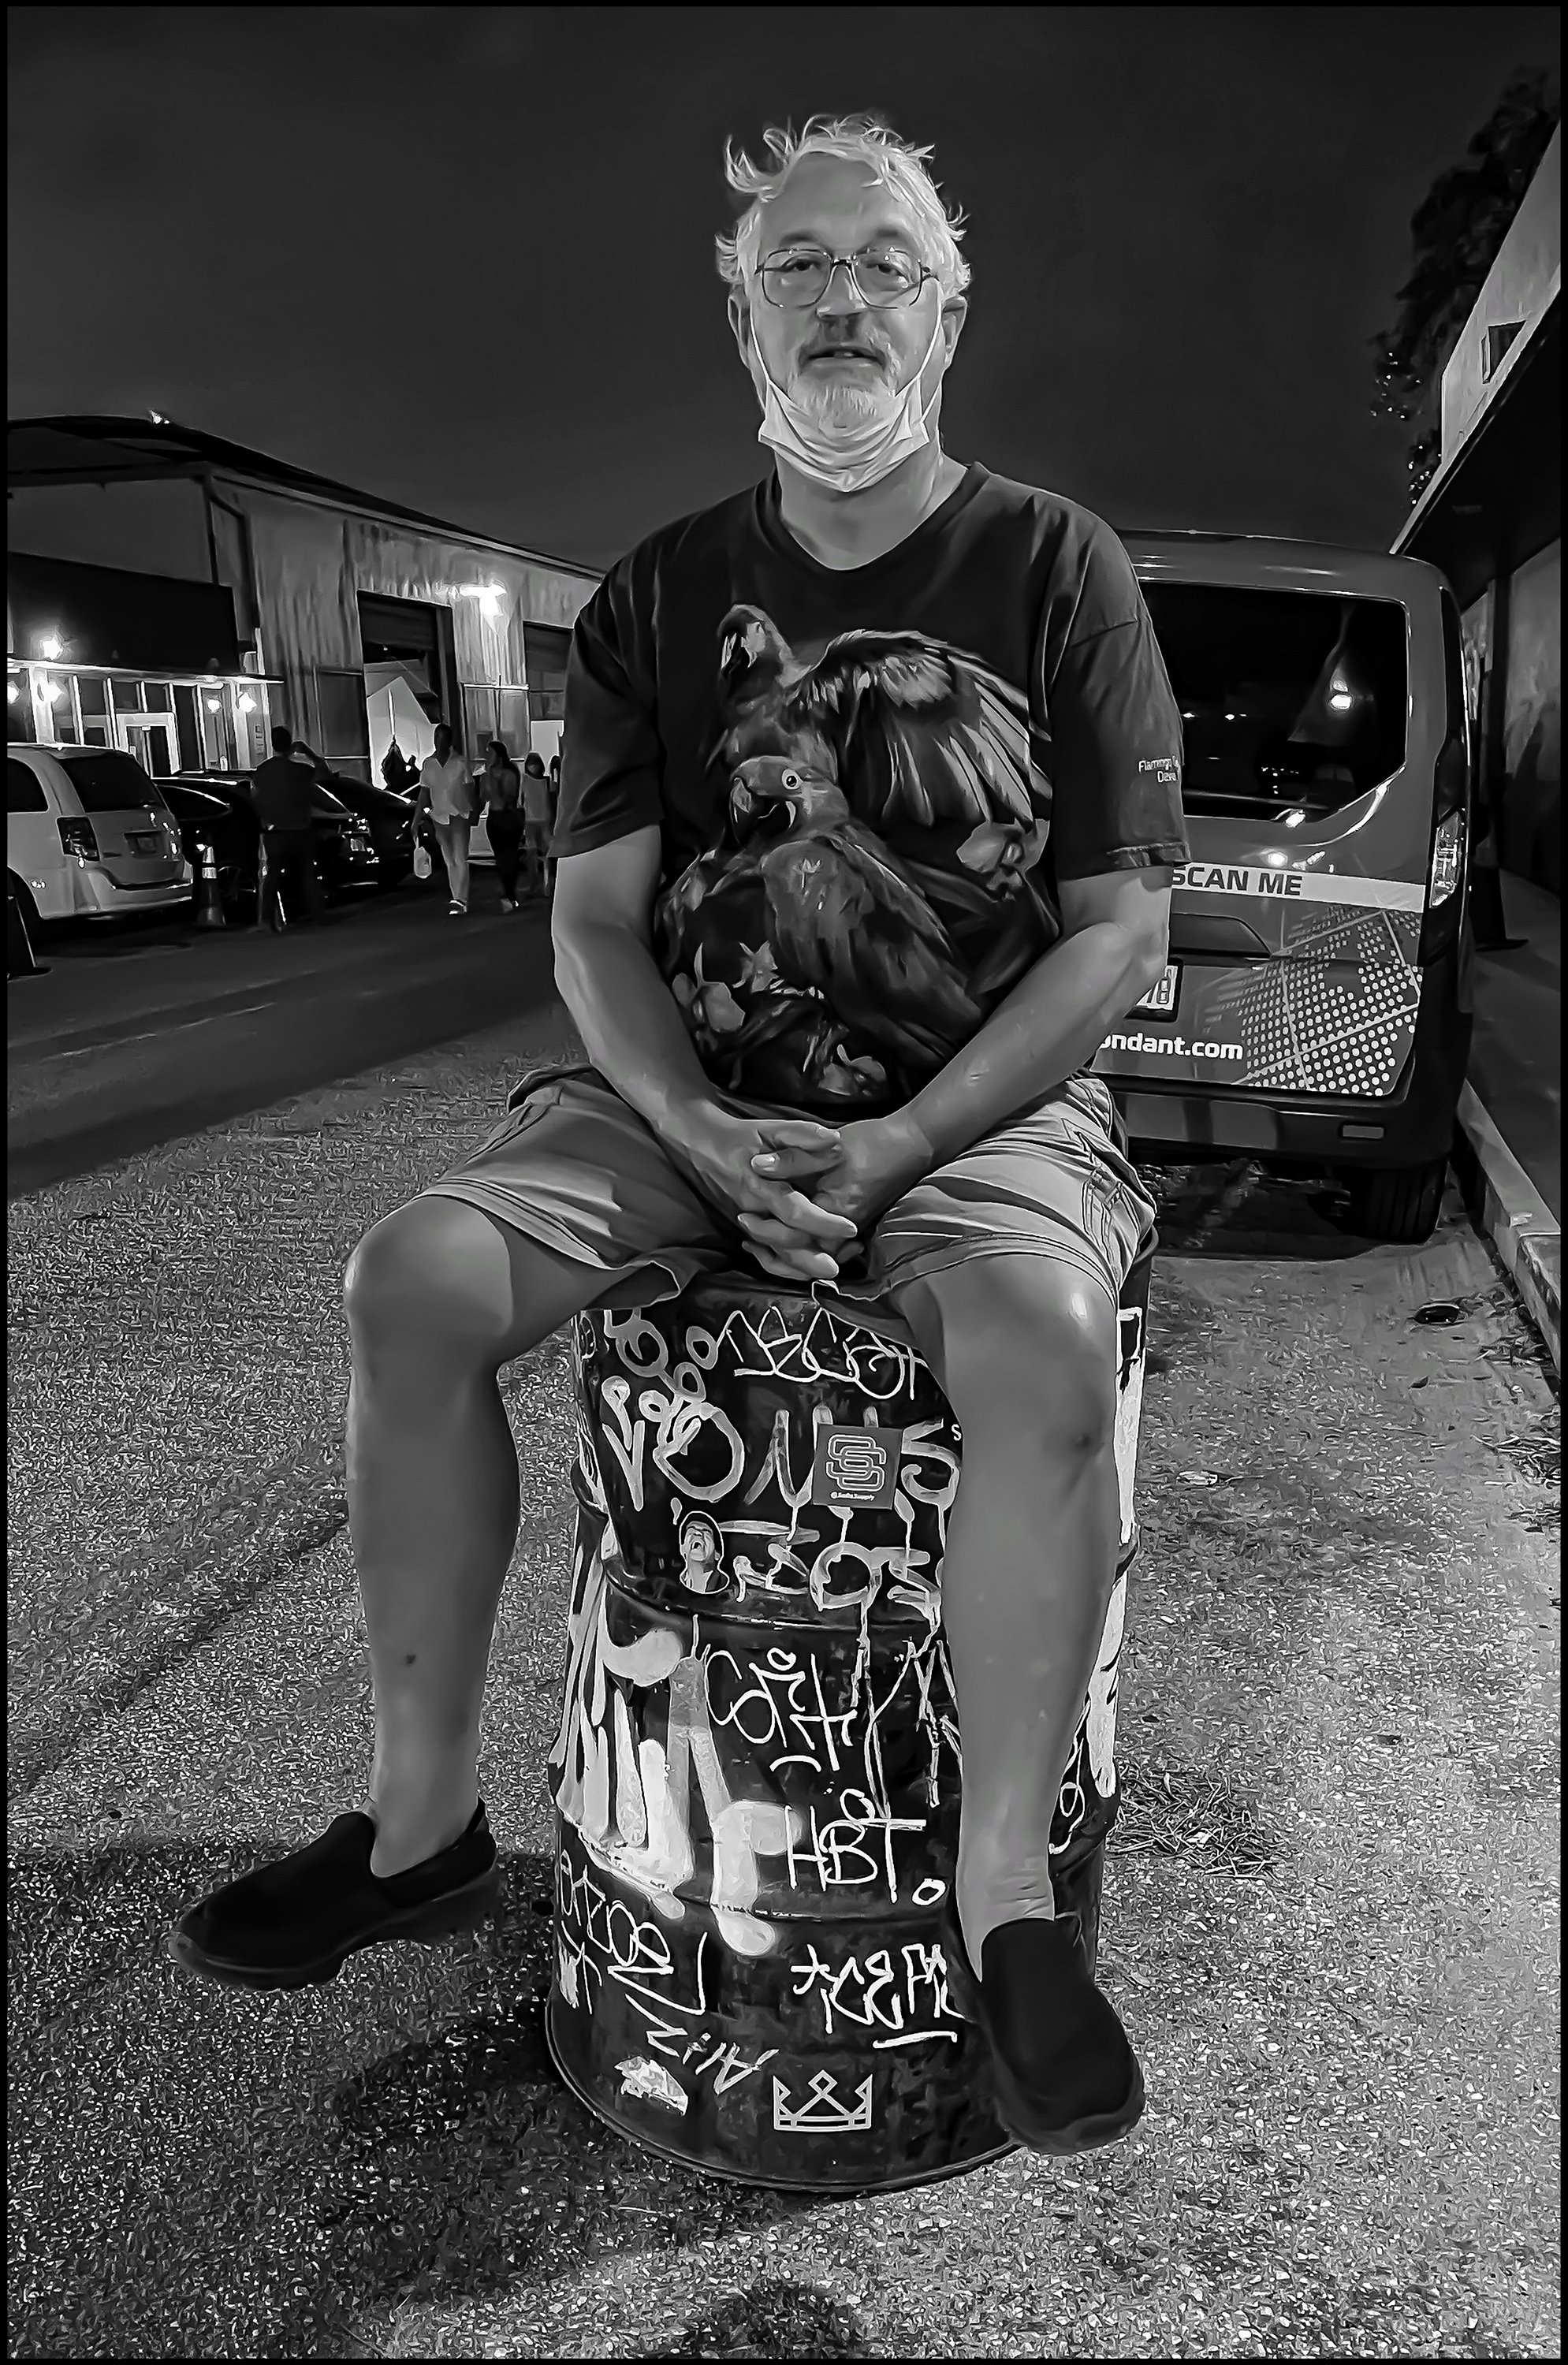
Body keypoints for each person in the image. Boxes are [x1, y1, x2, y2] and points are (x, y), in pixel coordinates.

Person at [169, 114, 1188, 2160]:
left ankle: (1000, 1897)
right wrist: (694, 1129)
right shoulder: (656, 589)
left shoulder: (1055, 565)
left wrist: (903, 1141)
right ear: (741, 317)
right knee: (412, 1282)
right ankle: (419, 1823)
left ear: (946, 312)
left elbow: (1114, 937)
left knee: (1042, 1349)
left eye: (882, 266)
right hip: (692, 1100)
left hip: (971, 1107)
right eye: (796, 265)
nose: (840, 301)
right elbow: (591, 922)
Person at [249, 724, 325, 927]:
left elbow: (255, 798)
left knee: (272, 875)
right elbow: (323, 771)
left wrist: (265, 817)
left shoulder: (263, 771)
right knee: (307, 874)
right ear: (290, 743)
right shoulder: (301, 770)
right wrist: (307, 752)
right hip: (301, 829)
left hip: (276, 831)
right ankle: (317, 916)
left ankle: (266, 922)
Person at [412, 722, 478, 915]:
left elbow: (470, 788)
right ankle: (456, 896)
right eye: (437, 738)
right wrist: (416, 819)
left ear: (450, 740)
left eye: (443, 738)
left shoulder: (460, 762)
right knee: (449, 859)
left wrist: (473, 812)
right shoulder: (428, 764)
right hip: (439, 816)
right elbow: (424, 793)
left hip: (459, 814)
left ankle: (461, 898)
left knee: (460, 857)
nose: (439, 742)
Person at [481, 738, 525, 911]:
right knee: (500, 858)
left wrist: (493, 781)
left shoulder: (509, 773)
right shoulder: (487, 775)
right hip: (493, 817)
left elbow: (506, 799)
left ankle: (509, 894)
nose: (487, 756)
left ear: (499, 756)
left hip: (507, 817)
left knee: (509, 857)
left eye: (490, 753)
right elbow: (485, 798)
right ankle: (509, 893)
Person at [520, 752, 552, 900]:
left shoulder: (527, 780)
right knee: (540, 855)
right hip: (538, 821)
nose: (533, 767)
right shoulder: (545, 781)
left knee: (536, 854)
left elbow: (520, 801)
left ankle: (542, 885)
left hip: (537, 821)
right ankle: (542, 885)